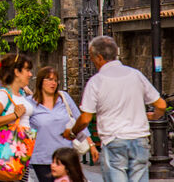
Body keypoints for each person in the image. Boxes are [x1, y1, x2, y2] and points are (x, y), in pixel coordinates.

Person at [63, 36, 166, 182]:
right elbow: (161, 105)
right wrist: (152, 116)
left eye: (92, 57)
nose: (92, 61)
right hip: (139, 139)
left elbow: (85, 118)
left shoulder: (96, 82)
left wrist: (72, 132)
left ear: (99, 57)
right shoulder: (135, 74)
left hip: (114, 140)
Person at [28, 67, 98, 182]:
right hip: (41, 157)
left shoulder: (63, 98)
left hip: (66, 157)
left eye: (55, 80)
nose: (53, 83)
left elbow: (79, 120)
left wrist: (91, 144)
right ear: (41, 81)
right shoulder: (30, 102)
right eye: (49, 79)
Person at [0, 54, 34, 182]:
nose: (30, 74)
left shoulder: (20, 95)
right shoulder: (3, 95)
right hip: (8, 153)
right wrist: (15, 115)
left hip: (21, 152)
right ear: (16, 72)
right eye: (27, 70)